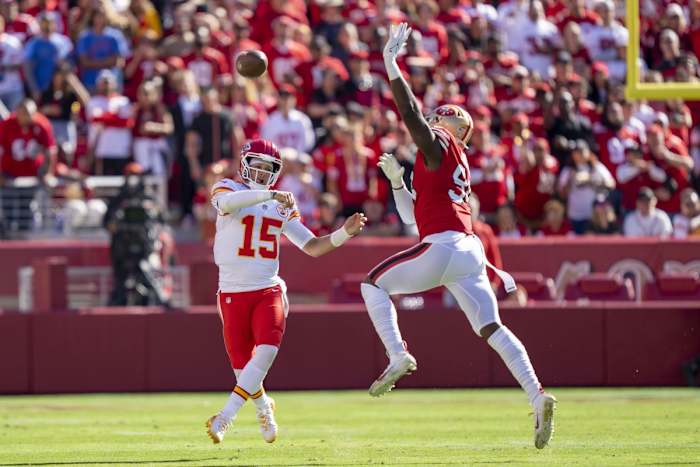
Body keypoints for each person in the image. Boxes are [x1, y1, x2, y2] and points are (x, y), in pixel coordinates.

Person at [361, 23, 556, 450]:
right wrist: (398, 184)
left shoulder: (442, 145)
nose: (433, 118)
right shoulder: (450, 159)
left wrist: (391, 65)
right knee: (492, 327)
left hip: (446, 245)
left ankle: (397, 354)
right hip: (467, 249)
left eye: (440, 115)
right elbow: (416, 219)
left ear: (453, 125)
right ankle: (537, 395)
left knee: (372, 284)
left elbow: (411, 115)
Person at [205, 139, 366, 444]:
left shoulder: (280, 205)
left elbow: (312, 246)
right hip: (231, 291)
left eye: (269, 169)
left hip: (267, 288)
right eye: (258, 166)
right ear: (244, 164)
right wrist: (269, 194)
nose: (263, 173)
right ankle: (264, 405)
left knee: (266, 350)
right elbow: (226, 205)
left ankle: (225, 417)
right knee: (243, 369)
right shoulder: (228, 188)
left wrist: (344, 233)